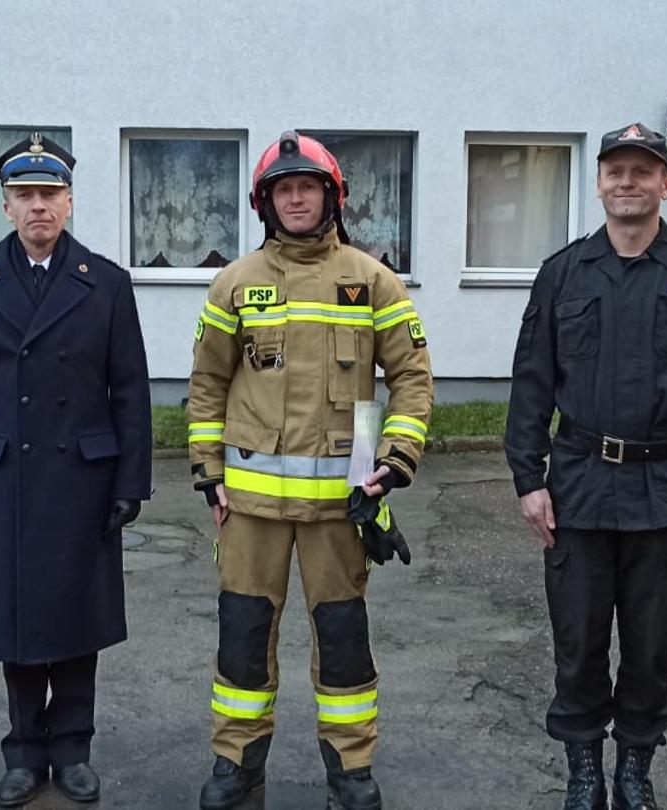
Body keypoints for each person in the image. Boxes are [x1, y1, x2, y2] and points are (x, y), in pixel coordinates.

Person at [505, 122, 667, 810]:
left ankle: (635, 769)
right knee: (579, 642)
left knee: (649, 647)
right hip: (578, 484)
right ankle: (583, 770)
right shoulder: (563, 274)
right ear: (600, 182)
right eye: (617, 171)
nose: (628, 182)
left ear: (666, 184)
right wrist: (529, 478)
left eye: (644, 171)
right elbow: (531, 382)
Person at [186, 131, 434, 810]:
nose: (296, 198)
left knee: (344, 642)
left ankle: (350, 770)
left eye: (308, 187)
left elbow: (412, 375)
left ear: (332, 196)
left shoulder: (371, 279)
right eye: (283, 189)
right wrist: (209, 471)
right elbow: (207, 382)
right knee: (241, 642)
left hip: (340, 508)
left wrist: (397, 459)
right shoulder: (235, 282)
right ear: (265, 202)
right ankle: (237, 763)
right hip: (251, 511)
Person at [0, 134, 152, 806]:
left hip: (82, 478)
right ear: (6, 207)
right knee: (18, 622)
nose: (38, 208)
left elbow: (131, 392)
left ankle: (74, 747)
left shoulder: (106, 283)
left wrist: (129, 482)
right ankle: (25, 751)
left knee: (76, 619)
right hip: (7, 479)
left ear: (69, 203)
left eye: (49, 195)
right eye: (25, 196)